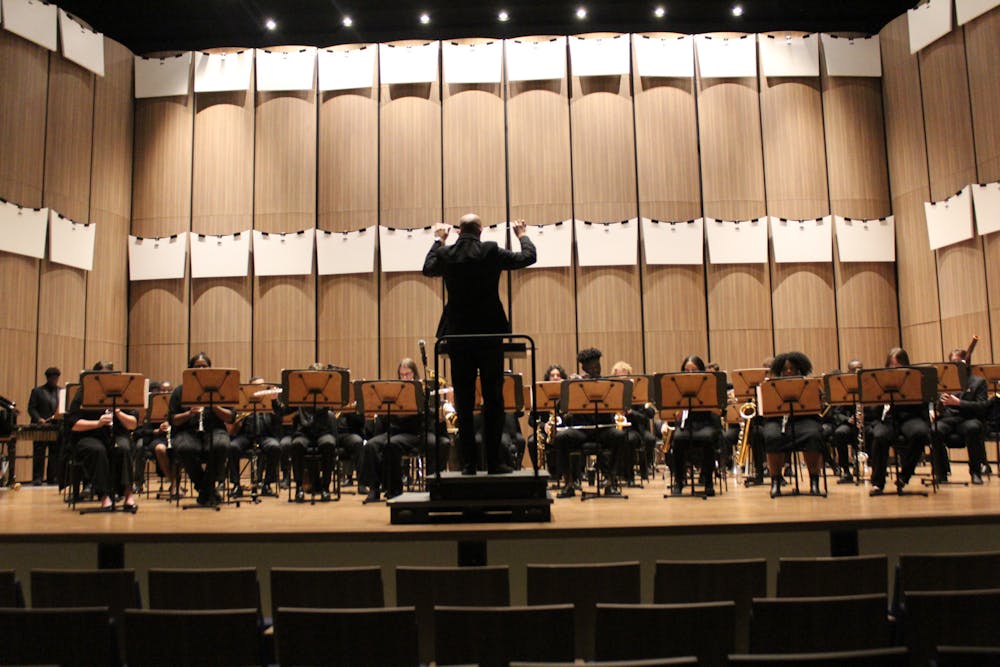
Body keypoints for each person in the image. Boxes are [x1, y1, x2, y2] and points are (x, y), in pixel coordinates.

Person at [422, 214, 536, 475]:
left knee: (462, 400)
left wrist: (439, 240)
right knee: (493, 398)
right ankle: (494, 462)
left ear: (459, 231)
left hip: (458, 336)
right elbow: (528, 257)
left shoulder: (448, 254)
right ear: (481, 230)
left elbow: (428, 268)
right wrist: (522, 236)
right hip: (489, 334)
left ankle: (468, 465)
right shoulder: (491, 251)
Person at [553, 348, 628, 497]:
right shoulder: (575, 384)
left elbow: (621, 404)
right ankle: (568, 483)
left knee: (620, 436)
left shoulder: (608, 384)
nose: (596, 370)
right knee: (561, 438)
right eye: (593, 367)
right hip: (581, 430)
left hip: (603, 429)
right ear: (584, 368)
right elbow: (560, 408)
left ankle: (610, 481)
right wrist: (568, 386)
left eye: (598, 366)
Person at [362, 358, 440, 502]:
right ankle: (374, 489)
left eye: (407, 374)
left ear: (414, 374)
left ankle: (395, 490)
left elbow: (429, 417)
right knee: (371, 445)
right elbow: (386, 419)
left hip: (414, 433)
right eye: (401, 375)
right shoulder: (395, 391)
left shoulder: (421, 390)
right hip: (394, 432)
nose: (404, 378)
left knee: (392, 444)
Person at [66, 361, 138, 511]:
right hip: (89, 435)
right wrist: (97, 424)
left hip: (116, 435)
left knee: (123, 448)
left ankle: (128, 494)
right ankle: (104, 496)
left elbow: (132, 424)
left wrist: (117, 411)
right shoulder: (83, 392)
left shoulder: (122, 392)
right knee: (97, 450)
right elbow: (73, 423)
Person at [169, 352, 233, 506]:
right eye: (197, 367)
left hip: (215, 430)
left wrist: (214, 405)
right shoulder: (179, 391)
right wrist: (189, 413)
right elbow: (172, 420)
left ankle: (205, 491)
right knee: (185, 448)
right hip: (187, 431)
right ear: (190, 370)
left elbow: (230, 417)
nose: (202, 370)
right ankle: (208, 490)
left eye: (205, 367)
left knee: (221, 445)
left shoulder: (220, 389)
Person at [868, 347, 932, 496]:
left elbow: (924, 401)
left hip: (911, 416)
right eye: (892, 365)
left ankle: (904, 476)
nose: (895, 369)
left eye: (898, 365)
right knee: (879, 436)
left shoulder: (916, 377)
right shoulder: (881, 379)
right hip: (891, 418)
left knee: (920, 433)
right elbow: (875, 407)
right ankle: (878, 483)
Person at [762, 352, 825, 498]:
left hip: (805, 420)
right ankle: (775, 481)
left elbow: (819, 405)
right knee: (772, 436)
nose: (789, 371)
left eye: (793, 368)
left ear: (800, 369)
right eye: (785, 369)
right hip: (778, 421)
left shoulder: (809, 384)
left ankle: (814, 482)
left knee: (813, 435)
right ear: (779, 371)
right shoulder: (771, 385)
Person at [666, 355, 721, 497]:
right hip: (688, 425)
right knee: (677, 438)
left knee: (708, 438)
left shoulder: (708, 384)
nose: (690, 373)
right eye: (686, 370)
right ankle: (679, 481)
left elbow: (719, 410)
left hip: (706, 423)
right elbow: (674, 414)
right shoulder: (678, 386)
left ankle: (708, 481)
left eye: (694, 370)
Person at [933, 348, 988, 485]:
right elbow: (937, 403)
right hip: (949, 419)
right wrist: (938, 405)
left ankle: (975, 472)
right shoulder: (944, 382)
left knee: (973, 428)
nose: (955, 366)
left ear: (966, 362)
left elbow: (982, 406)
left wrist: (959, 403)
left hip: (968, 418)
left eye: (958, 362)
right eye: (952, 363)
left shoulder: (978, 382)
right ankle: (941, 472)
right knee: (934, 430)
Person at [228, 376, 282, 498]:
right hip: (246, 436)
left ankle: (267, 484)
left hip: (265, 435)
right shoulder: (243, 401)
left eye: (263, 387)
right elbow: (234, 422)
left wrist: (274, 401)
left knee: (275, 447)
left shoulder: (270, 402)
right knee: (232, 447)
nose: (262, 390)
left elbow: (279, 418)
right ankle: (236, 485)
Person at [822, 358, 864, 484]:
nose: (857, 372)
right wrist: (848, 419)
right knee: (840, 433)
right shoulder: (844, 387)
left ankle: (875, 470)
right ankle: (845, 471)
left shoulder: (870, 384)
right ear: (848, 371)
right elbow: (837, 412)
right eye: (854, 370)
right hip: (850, 423)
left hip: (867, 422)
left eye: (860, 370)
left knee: (876, 432)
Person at [28, 366, 62, 485]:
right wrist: (38, 419)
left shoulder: (61, 392)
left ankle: (52, 477)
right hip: (41, 427)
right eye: (53, 378)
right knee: (39, 453)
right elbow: (31, 408)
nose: (55, 380)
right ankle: (37, 478)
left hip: (54, 427)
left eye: (56, 378)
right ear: (48, 378)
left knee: (54, 453)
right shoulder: (37, 391)